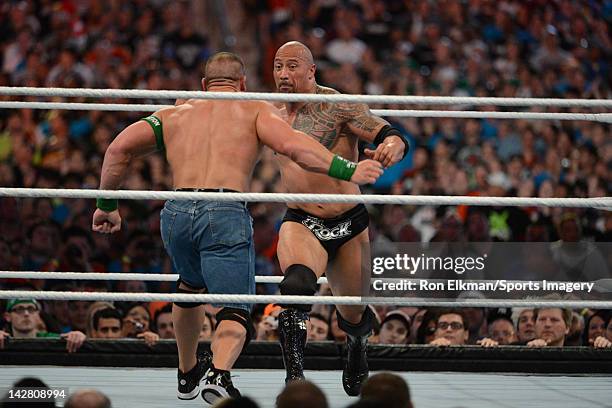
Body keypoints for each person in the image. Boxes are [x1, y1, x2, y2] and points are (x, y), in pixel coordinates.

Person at [91, 52, 383, 403]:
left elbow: (117, 148)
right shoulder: (255, 109)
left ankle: (186, 375)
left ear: (204, 85)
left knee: (188, 286)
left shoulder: (173, 113)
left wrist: (107, 205)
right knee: (235, 307)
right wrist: (348, 170)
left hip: (176, 212)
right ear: (241, 83)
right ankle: (219, 373)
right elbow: (295, 146)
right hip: (223, 210)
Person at [271, 41, 409, 395]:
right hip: (302, 220)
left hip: (348, 222)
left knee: (353, 316)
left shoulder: (337, 106)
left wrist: (394, 144)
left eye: (292, 66)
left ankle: (358, 346)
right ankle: (294, 378)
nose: (283, 75)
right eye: (277, 67)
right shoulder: (266, 111)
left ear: (311, 70)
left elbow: (386, 131)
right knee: (297, 287)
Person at [0, 298, 86, 353]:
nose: (26, 314)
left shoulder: (52, 339)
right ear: (7, 316)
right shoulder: (3, 339)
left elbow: (75, 339)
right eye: (20, 309)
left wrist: (78, 336)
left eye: (31, 309)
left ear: (38, 314)